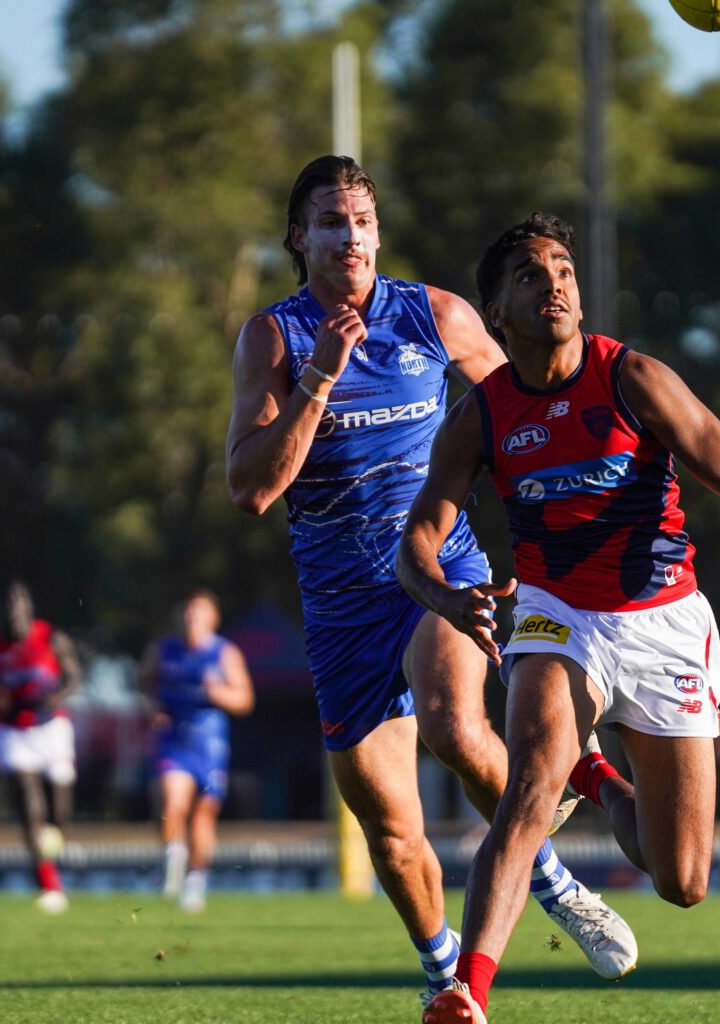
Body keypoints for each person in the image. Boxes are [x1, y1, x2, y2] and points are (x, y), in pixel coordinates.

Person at [398, 213, 720, 1024]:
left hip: (665, 620)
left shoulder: (630, 377)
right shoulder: (483, 416)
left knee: (682, 879)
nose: (555, 284)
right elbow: (416, 545)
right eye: (530, 275)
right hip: (557, 613)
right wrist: (447, 596)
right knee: (528, 781)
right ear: (496, 313)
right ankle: (466, 993)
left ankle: (595, 776)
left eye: (562, 269)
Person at [224, 158, 633, 1006]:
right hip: (338, 609)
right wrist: (320, 376)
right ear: (300, 239)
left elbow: (525, 405)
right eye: (332, 223)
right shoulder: (275, 338)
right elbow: (252, 488)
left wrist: (562, 512)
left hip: (438, 569)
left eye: (364, 220)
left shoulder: (433, 315)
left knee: (452, 720)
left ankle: (557, 889)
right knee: (393, 830)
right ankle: (446, 980)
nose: (352, 237)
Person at [0, 579, 83, 914]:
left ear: (29, 606)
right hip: (13, 731)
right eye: (7, 603)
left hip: (52, 728)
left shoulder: (51, 638)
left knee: (58, 815)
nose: (14, 609)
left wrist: (54, 697)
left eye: (19, 601)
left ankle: (52, 853)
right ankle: (48, 883)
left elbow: (74, 678)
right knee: (30, 805)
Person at [138, 589, 255, 912]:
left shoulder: (224, 653)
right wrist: (152, 707)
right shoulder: (162, 651)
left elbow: (244, 700)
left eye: (198, 612)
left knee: (203, 815)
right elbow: (143, 684)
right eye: (187, 612)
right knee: (172, 803)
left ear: (212, 619)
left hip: (209, 744)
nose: (191, 618)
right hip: (173, 739)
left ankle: (195, 881)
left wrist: (218, 693)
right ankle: (172, 859)